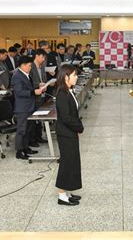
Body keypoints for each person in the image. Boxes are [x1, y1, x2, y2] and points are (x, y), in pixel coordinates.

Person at [55, 64, 84, 206]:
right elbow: (66, 117)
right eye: (74, 75)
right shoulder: (62, 94)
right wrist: (79, 127)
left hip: (70, 132)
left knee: (72, 161)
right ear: (66, 77)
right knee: (66, 163)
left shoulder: (68, 91)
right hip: (65, 133)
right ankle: (61, 195)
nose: (76, 77)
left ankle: (67, 191)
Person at [12, 56, 46, 160]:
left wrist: (38, 88)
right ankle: (19, 151)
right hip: (23, 107)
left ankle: (26, 147)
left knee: (28, 129)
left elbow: (29, 88)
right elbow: (19, 92)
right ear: (22, 65)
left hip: (30, 105)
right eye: (29, 66)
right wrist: (33, 92)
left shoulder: (27, 75)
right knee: (22, 130)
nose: (30, 68)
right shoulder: (17, 76)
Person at [29, 48, 49, 146]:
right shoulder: (30, 67)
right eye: (42, 57)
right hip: (34, 96)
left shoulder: (41, 66)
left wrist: (45, 84)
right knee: (34, 119)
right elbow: (29, 82)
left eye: (44, 58)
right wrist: (39, 85)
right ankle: (33, 139)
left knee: (40, 117)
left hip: (42, 94)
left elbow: (44, 78)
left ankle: (39, 136)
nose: (43, 60)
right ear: (36, 56)